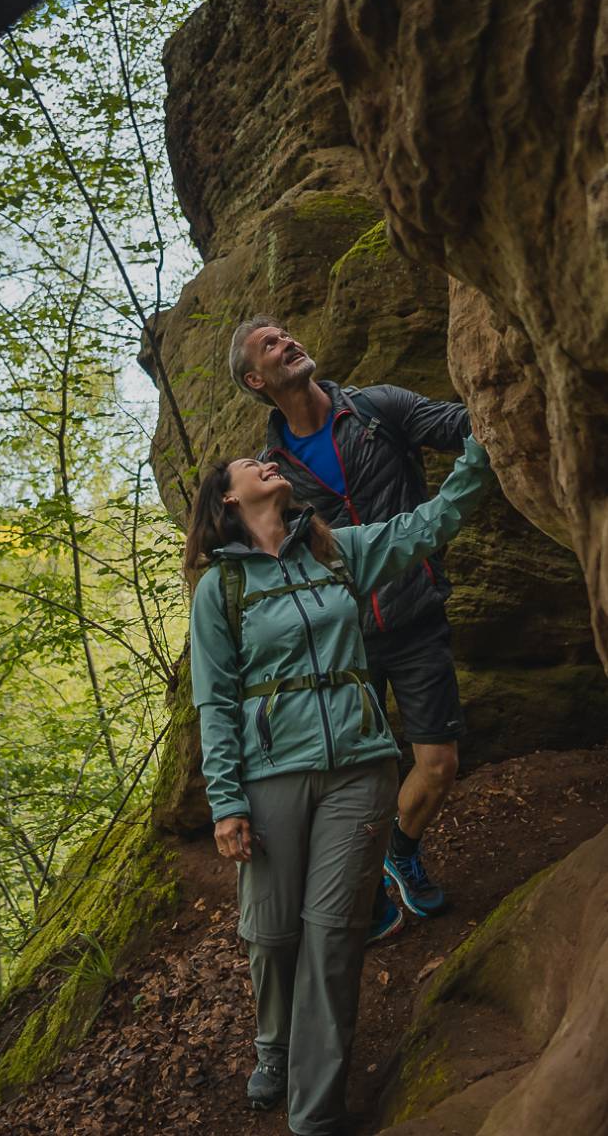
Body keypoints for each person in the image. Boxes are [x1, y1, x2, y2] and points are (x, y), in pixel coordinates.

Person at [185, 438, 492, 1135]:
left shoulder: (337, 549)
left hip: (359, 768)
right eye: (250, 467)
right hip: (270, 778)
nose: (268, 465)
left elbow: (430, 524)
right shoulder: (220, 588)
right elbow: (217, 701)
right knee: (270, 931)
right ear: (228, 498)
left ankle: (315, 1113)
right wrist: (227, 802)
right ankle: (274, 1044)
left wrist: (484, 450)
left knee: (333, 936)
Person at [228, 316, 476, 937]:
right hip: (342, 640)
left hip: (415, 612)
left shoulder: (374, 409)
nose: (288, 341)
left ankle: (402, 850)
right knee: (350, 781)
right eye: (270, 344)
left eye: (287, 333)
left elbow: (458, 424)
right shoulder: (269, 474)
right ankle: (363, 898)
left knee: (439, 764)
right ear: (256, 379)